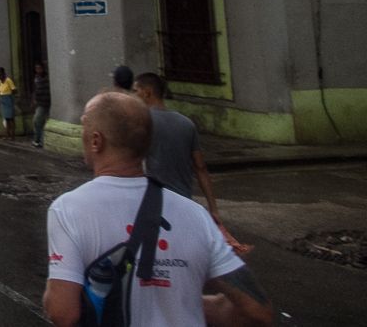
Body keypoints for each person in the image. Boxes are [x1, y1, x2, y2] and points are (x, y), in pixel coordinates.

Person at [43, 92, 272, 327]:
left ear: (95, 141)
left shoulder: (67, 209)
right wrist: (186, 304)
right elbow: (257, 311)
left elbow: (63, 313)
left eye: (83, 126)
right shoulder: (196, 215)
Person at [134, 72, 222, 227]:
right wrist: (213, 209)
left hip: (154, 202)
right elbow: (201, 168)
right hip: (183, 203)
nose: (134, 95)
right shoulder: (187, 124)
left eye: (136, 91)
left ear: (147, 91)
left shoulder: (142, 122)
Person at [32, 62, 51, 149]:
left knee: (38, 120)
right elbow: (35, 90)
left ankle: (39, 140)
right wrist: (34, 100)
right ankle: (38, 140)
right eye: (36, 68)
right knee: (38, 121)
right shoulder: (36, 78)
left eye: (40, 68)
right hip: (39, 102)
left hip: (46, 102)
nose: (38, 70)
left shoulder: (48, 77)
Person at [0, 66, 16, 140]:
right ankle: (8, 135)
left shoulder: (8, 80)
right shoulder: (0, 81)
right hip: (3, 100)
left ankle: (13, 136)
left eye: (0, 74)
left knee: (11, 119)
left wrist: (10, 96)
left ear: (4, 74)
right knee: (6, 119)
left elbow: (14, 90)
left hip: (8, 99)